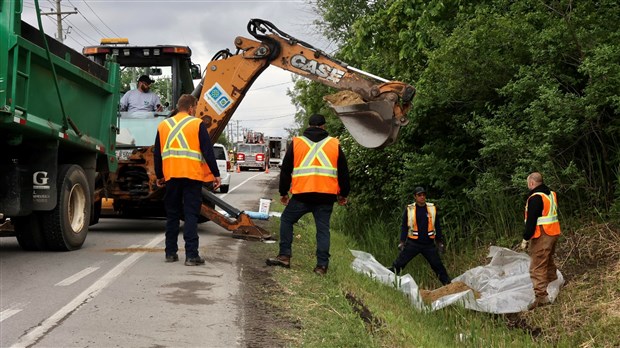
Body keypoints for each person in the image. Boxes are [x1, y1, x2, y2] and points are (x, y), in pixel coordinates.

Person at [266, 114, 350, 275]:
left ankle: (284, 256)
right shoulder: (334, 143)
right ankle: (321, 266)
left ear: (309, 125)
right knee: (323, 230)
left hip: (302, 195)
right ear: (324, 126)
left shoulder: (297, 142)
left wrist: (283, 193)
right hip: (326, 196)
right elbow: (344, 173)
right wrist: (343, 194)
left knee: (287, 220)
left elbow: (285, 170)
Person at [153, 94, 221, 266]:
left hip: (171, 177)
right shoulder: (196, 124)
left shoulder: (163, 125)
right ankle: (191, 256)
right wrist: (215, 174)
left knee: (172, 215)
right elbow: (207, 151)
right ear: (191, 108)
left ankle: (170, 253)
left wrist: (159, 175)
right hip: (192, 176)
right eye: (196, 108)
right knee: (191, 215)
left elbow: (157, 153)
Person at [389, 186, 451, 285]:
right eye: (419, 195)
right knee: (399, 263)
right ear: (415, 197)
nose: (422, 197)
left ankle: (448, 285)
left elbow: (437, 226)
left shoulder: (431, 208)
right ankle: (388, 279)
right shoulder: (410, 209)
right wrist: (402, 242)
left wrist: (439, 242)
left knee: (438, 265)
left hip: (428, 245)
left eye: (423, 195)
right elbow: (404, 226)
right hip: (413, 243)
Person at [522, 172, 561, 310]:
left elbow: (531, 221)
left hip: (542, 235)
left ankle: (541, 297)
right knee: (548, 260)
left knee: (537, 266)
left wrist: (526, 237)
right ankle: (554, 284)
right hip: (553, 232)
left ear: (532, 183)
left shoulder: (535, 198)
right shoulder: (550, 194)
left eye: (528, 184)